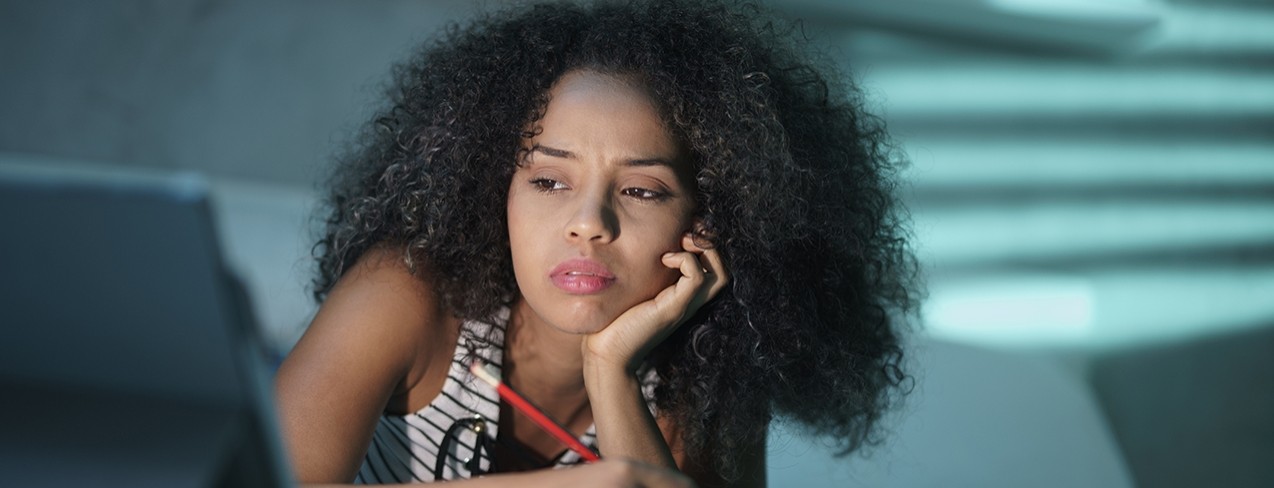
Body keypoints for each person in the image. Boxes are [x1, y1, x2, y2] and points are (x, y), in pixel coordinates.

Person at [274, 0, 918, 486]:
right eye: (549, 180)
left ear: (711, 221)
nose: (589, 223)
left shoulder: (709, 382)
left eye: (642, 191)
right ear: (494, 188)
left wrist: (610, 370)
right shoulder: (405, 294)